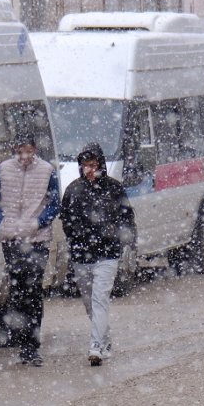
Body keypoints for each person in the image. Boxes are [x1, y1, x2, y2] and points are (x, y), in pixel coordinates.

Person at [60, 142, 136, 367]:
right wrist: (76, 240)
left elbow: (127, 218)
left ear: (101, 164)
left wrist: (126, 244)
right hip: (81, 256)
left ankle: (95, 345)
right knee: (89, 303)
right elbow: (66, 221)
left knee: (100, 299)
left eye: (93, 165)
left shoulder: (114, 188)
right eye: (85, 166)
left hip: (107, 255)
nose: (89, 170)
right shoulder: (73, 190)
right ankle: (105, 338)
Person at [0, 134, 60, 366]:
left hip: (37, 239)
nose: (24, 157)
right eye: (20, 152)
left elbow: (54, 203)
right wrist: (1, 222)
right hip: (10, 239)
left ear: (35, 150)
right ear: (14, 151)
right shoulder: (2, 170)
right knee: (17, 289)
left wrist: (38, 223)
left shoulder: (47, 171)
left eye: (29, 151)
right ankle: (22, 341)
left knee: (32, 290)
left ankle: (32, 344)